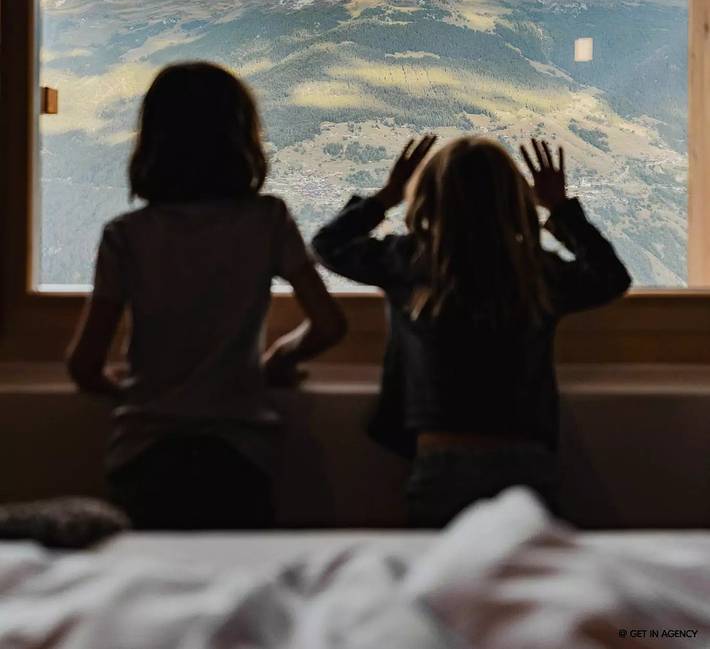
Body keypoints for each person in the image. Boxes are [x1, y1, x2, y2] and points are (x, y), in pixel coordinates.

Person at [66, 62, 346, 531]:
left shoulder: (126, 235)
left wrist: (142, 393)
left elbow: (84, 367)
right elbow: (330, 324)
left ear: (152, 139)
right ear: (242, 138)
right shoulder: (268, 221)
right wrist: (277, 360)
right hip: (240, 452)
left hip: (144, 453)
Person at [312, 135, 630, 528]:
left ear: (428, 197)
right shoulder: (536, 273)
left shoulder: (409, 263)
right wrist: (561, 208)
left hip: (439, 460)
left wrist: (387, 195)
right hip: (525, 459)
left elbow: (328, 245)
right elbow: (611, 277)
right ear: (515, 199)